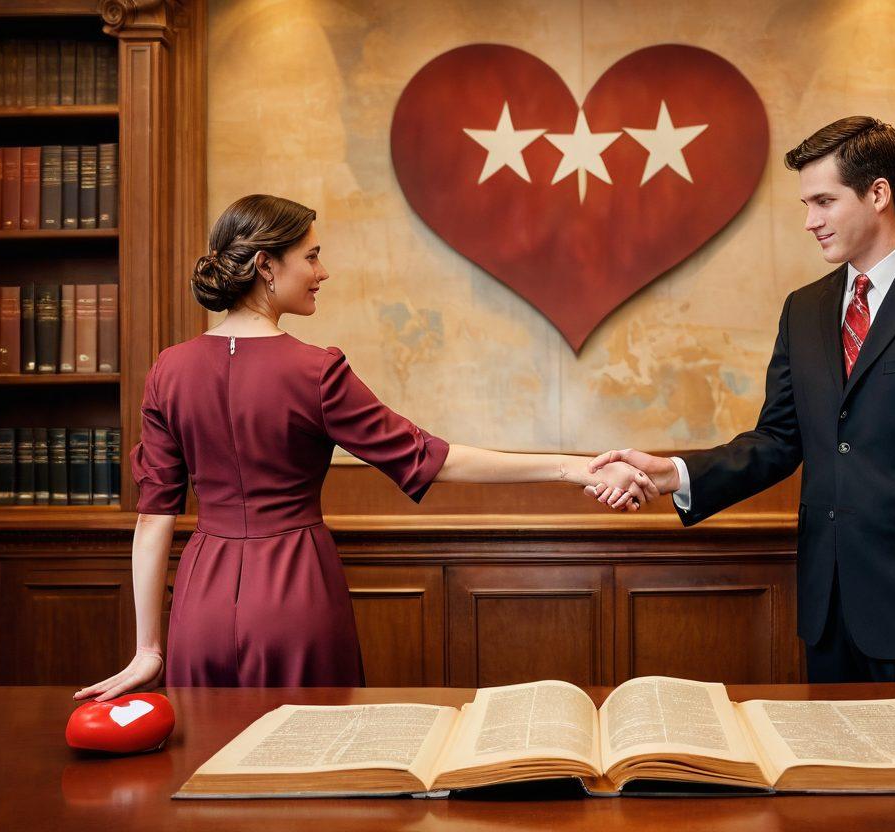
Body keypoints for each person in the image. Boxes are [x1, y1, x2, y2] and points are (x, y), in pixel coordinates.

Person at [74, 194, 656, 701]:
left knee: (204, 779)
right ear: (265, 267)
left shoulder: (167, 372)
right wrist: (572, 468)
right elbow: (431, 457)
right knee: (315, 778)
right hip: (296, 593)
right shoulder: (314, 371)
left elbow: (154, 521)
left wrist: (149, 648)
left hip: (198, 603)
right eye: (311, 256)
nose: (322, 271)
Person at [586, 117, 895, 684]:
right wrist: (672, 472)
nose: (809, 221)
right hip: (827, 611)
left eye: (823, 201)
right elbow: (779, 439)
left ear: (879, 194)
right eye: (805, 204)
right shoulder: (805, 309)